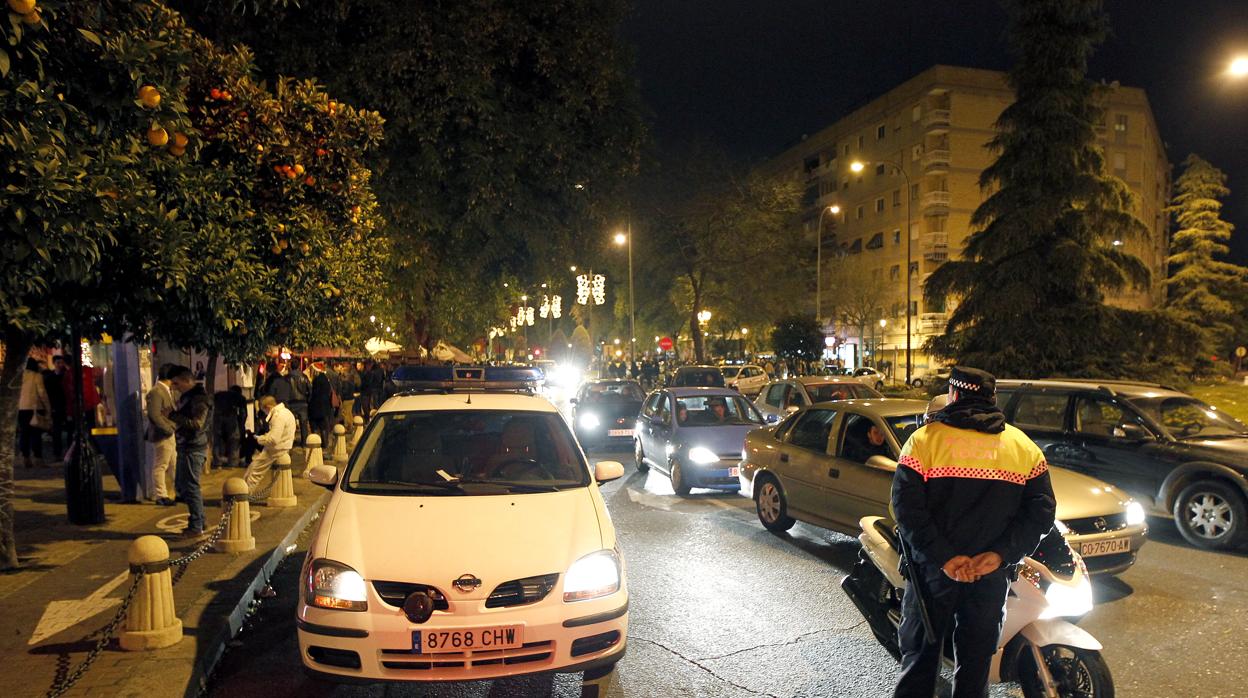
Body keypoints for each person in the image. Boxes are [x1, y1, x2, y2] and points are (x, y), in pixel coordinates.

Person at [890, 367, 1056, 698]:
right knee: (975, 662)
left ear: (953, 395)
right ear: (993, 399)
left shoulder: (924, 441)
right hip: (989, 578)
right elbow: (1042, 514)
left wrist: (945, 558)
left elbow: (906, 509)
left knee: (920, 661)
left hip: (932, 576)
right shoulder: (1024, 448)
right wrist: (999, 555)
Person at [168, 366, 212, 537]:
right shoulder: (189, 397)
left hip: (194, 447)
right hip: (187, 445)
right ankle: (200, 519)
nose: (175, 387)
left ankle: (197, 524)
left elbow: (197, 424)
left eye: (177, 383)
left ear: (187, 381)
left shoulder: (199, 399)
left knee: (191, 486)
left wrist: (172, 415)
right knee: (181, 485)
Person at [246, 394, 296, 492]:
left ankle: (243, 495)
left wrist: (259, 439)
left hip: (276, 449)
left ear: (268, 407)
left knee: (254, 472)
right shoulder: (286, 412)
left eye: (263, 410)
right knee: (253, 468)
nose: (264, 413)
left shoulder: (278, 416)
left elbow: (274, 439)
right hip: (283, 446)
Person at [146, 363, 179, 504]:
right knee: (161, 465)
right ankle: (161, 496)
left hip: (169, 434)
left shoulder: (165, 390)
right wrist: (169, 429)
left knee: (174, 464)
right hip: (162, 434)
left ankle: (178, 491)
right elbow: (154, 415)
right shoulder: (156, 391)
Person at [18, 356, 52, 468]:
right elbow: (42, 393)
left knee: (24, 433)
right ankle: (38, 458)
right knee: (35, 434)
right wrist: (48, 408)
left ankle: (25, 457)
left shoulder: (19, 376)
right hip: (34, 408)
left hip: (21, 408)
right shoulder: (36, 376)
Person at [212, 385, 248, 469]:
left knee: (217, 439)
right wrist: (241, 425)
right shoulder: (240, 397)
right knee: (234, 439)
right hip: (230, 417)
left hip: (217, 416)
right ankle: (232, 463)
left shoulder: (219, 394)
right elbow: (243, 413)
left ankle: (217, 463)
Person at [43, 356, 67, 461]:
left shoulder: (66, 375)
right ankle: (57, 452)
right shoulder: (49, 377)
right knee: (56, 431)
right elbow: (47, 393)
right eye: (58, 362)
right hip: (56, 406)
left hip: (66, 405)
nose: (60, 365)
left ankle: (67, 452)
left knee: (69, 430)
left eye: (61, 362)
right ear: (54, 363)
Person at [308, 362, 336, 449]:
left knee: (316, 426)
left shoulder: (316, 380)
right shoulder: (326, 379)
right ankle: (325, 443)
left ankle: (316, 443)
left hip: (316, 407)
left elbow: (313, 394)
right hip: (325, 407)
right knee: (324, 427)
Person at [287, 362, 311, 446]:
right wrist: (308, 400)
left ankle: (290, 442)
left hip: (290, 403)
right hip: (302, 403)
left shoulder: (287, 377)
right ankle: (304, 443)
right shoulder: (304, 377)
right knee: (303, 424)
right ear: (298, 367)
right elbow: (310, 389)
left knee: (290, 424)